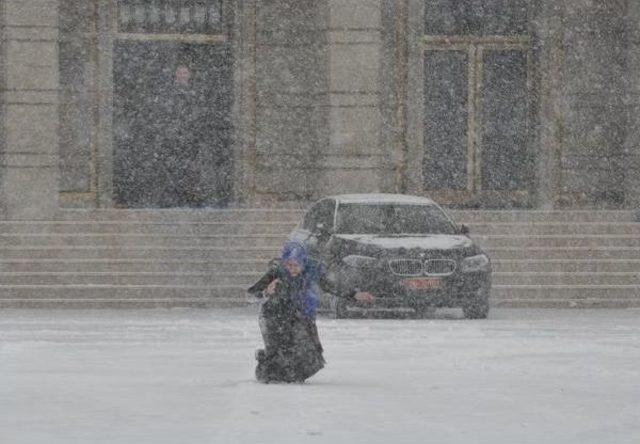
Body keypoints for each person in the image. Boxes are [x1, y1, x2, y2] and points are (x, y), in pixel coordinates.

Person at [248, 241, 374, 383]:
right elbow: (251, 295)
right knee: (279, 357)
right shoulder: (276, 271)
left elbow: (331, 285)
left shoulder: (313, 269)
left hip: (299, 314)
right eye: (289, 265)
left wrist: (354, 295)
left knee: (309, 355)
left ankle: (290, 375)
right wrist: (265, 291)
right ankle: (266, 367)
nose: (292, 269)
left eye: (296, 265)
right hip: (274, 316)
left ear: (303, 262)